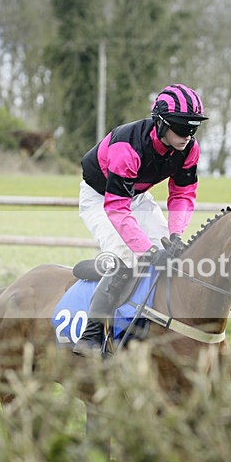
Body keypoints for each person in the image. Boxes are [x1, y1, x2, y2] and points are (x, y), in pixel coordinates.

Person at [73, 83, 208, 357]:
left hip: (137, 196)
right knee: (127, 256)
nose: (188, 136)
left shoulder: (189, 150)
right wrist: (146, 250)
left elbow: (183, 194)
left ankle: (152, 322)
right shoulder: (127, 147)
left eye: (193, 128)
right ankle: (92, 334)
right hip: (101, 199)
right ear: (160, 122)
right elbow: (117, 208)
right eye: (181, 128)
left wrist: (176, 234)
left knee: (171, 255)